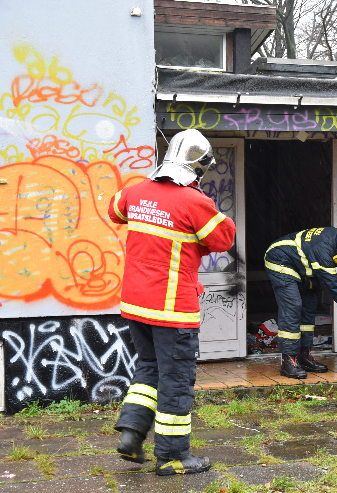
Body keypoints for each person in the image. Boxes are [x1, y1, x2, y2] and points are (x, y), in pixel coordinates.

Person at [109, 129, 236, 475]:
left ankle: (132, 435)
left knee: (148, 368)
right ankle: (173, 456)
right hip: (171, 310)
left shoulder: (136, 192)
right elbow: (225, 237)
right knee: (176, 381)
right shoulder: (195, 202)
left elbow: (115, 210)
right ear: (200, 167)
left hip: (135, 305)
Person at [265, 227, 337, 379]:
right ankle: (288, 361)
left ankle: (304, 356)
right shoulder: (324, 251)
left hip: (301, 268)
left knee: (309, 305)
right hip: (280, 259)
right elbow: (335, 288)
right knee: (293, 306)